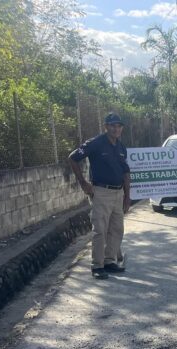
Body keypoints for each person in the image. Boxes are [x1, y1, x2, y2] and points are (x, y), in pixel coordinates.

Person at [69, 113, 131, 280]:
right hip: (101, 192)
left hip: (118, 193)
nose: (116, 129)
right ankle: (97, 265)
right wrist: (83, 183)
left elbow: (126, 172)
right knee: (100, 231)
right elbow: (73, 158)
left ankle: (109, 261)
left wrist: (127, 197)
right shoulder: (96, 143)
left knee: (116, 229)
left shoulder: (121, 147)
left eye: (119, 126)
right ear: (106, 127)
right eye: (112, 125)